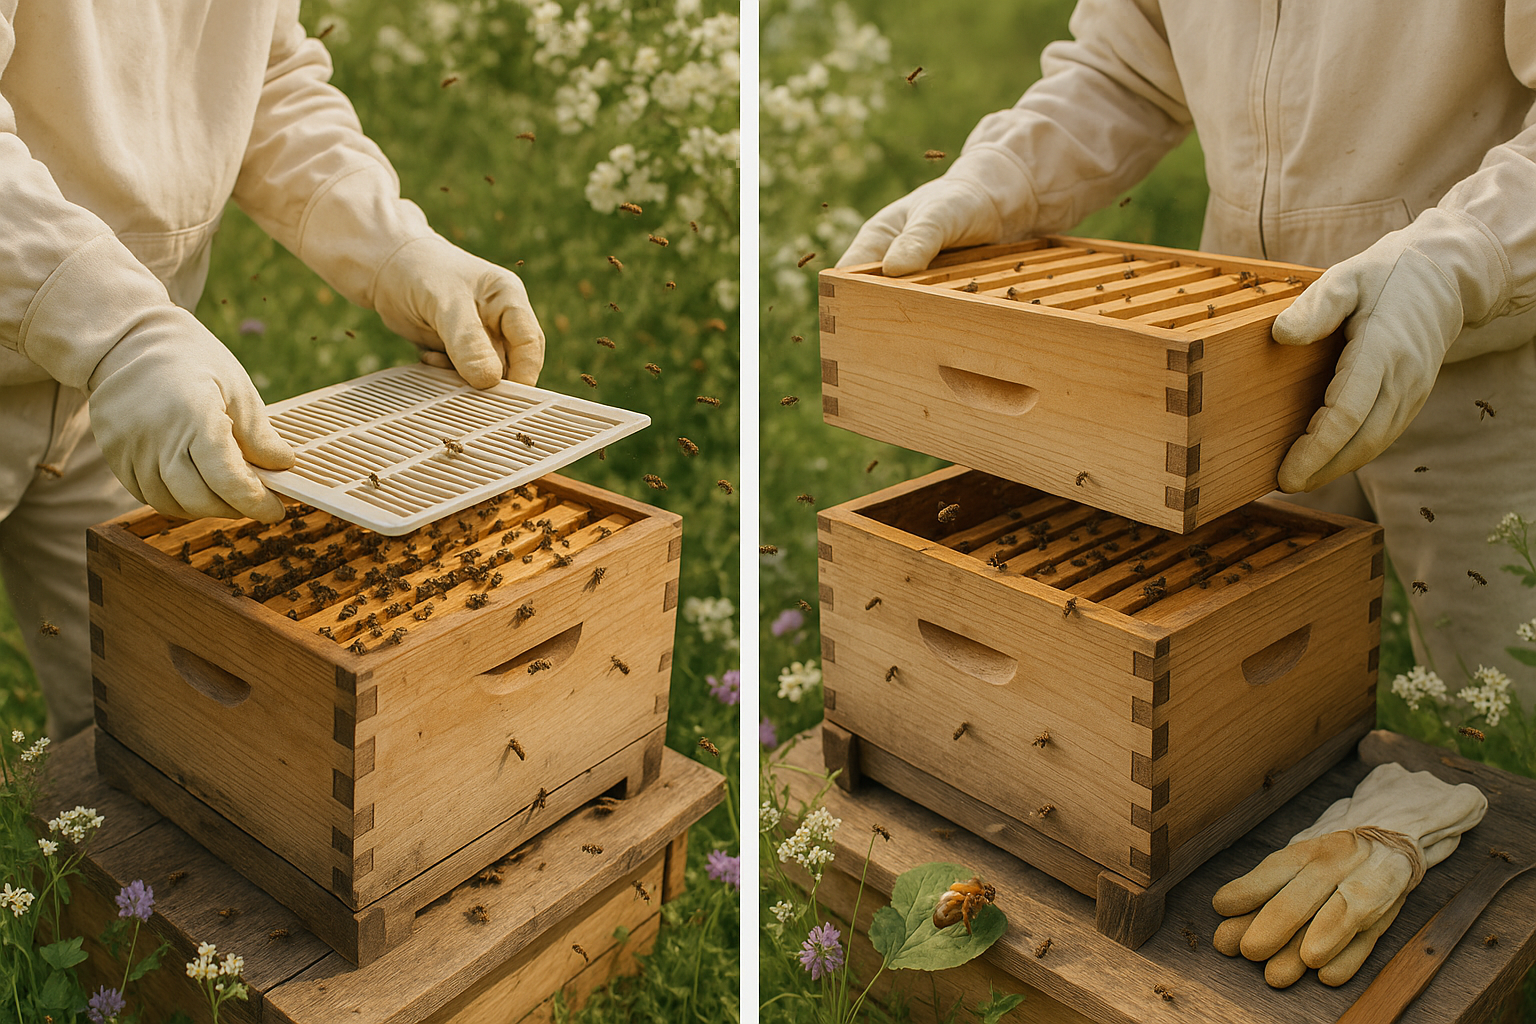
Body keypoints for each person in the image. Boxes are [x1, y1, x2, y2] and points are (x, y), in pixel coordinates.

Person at [840, 0, 1536, 705]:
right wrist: (1003, 174)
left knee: (1501, 707)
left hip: (1475, 357)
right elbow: (1125, 69)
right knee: (1248, 711)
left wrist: (1457, 263)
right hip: (1247, 360)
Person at [0, 2, 546, 739]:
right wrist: (120, 329)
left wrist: (392, 246)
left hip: (128, 389)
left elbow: (262, 80)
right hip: (124, 342)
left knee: (146, 720)